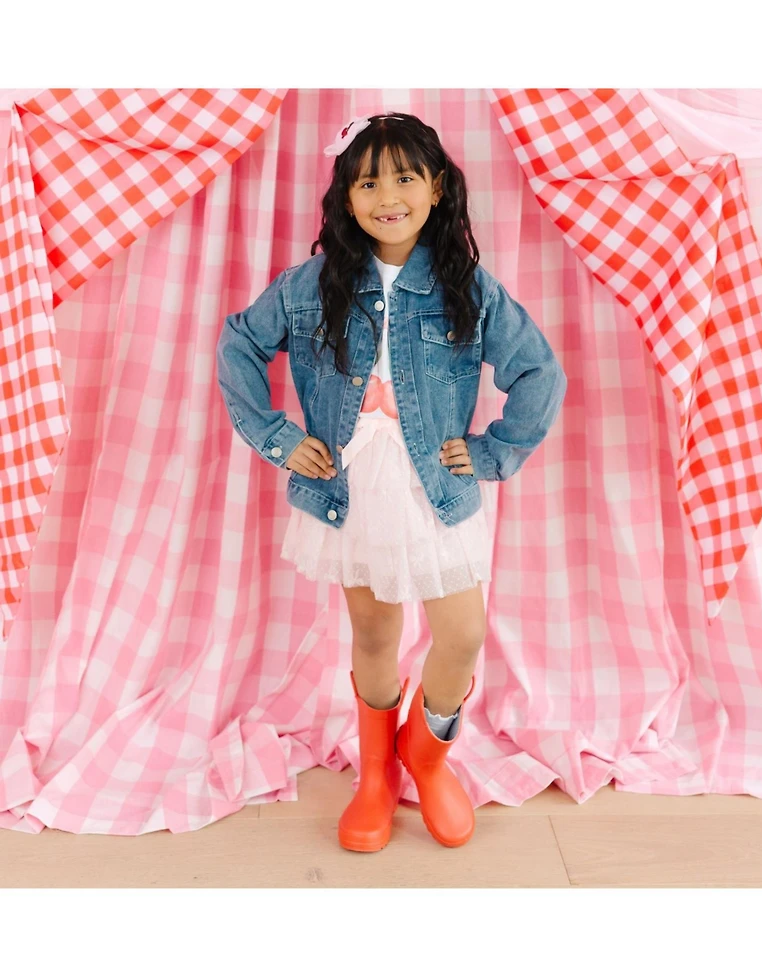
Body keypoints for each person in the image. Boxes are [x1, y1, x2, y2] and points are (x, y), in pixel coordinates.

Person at [216, 111, 567, 853]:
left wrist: (497, 449)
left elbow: (540, 371)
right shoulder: (309, 285)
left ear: (437, 188)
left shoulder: (465, 286)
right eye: (368, 180)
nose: (388, 195)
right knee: (374, 628)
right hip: (350, 484)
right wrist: (281, 438)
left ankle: (426, 754)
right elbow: (240, 344)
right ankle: (375, 774)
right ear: (347, 197)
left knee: (461, 632)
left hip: (434, 483)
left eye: (405, 177)